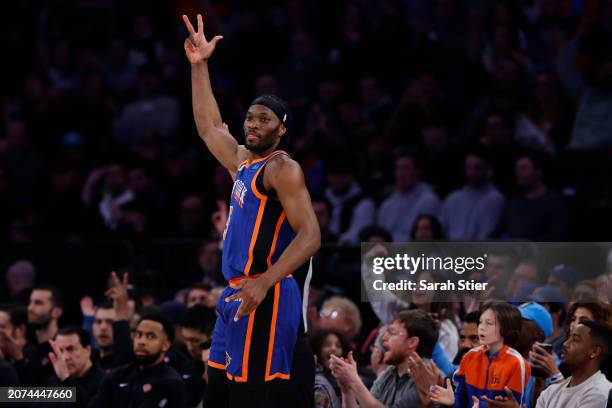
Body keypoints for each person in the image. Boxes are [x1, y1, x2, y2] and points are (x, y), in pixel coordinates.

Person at [182, 14, 320, 408]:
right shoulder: (243, 162)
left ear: (281, 130)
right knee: (218, 390)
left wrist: (265, 282)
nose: (253, 124)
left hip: (266, 291)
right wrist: (200, 66)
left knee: (249, 397)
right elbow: (209, 127)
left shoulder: (282, 168)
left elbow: (311, 236)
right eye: (250, 117)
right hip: (235, 290)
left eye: (265, 119)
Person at [330, 309, 439, 408]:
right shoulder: (389, 373)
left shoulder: (426, 377)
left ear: (412, 342)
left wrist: (354, 380)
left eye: (392, 332)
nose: (384, 338)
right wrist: (347, 389)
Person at [430, 301, 530, 407]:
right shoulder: (470, 356)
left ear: (506, 331)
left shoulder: (517, 363)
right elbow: (460, 402)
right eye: (481, 322)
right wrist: (452, 403)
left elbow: (516, 404)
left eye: (489, 323)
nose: (481, 327)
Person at [88, 311, 186, 407]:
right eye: (138, 335)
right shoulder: (116, 376)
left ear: (165, 345)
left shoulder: (171, 383)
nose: (141, 341)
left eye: (151, 336)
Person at [33, 326, 104, 407]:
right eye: (60, 351)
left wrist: (66, 380)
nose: (65, 357)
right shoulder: (53, 383)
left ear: (87, 350)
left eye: (70, 349)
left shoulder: (104, 382)